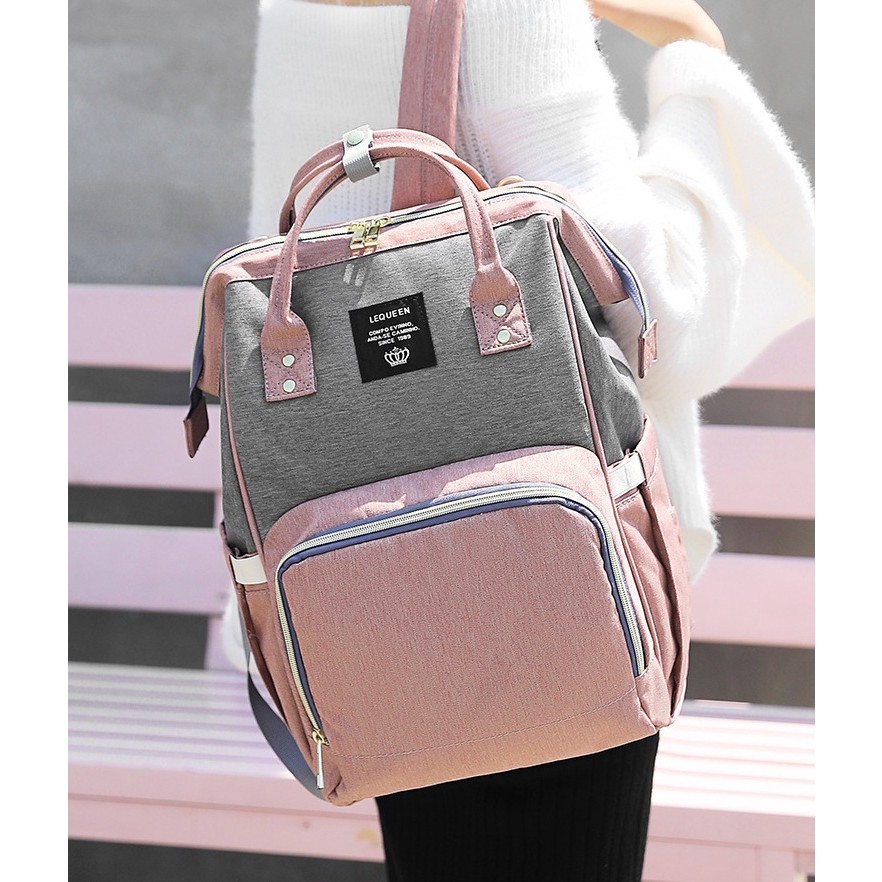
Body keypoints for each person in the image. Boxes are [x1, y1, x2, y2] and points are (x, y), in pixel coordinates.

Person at [227, 1, 815, 879]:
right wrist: (696, 58)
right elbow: (661, 314)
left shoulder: (298, 15)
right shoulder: (515, 13)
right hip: (556, 580)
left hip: (358, 596)